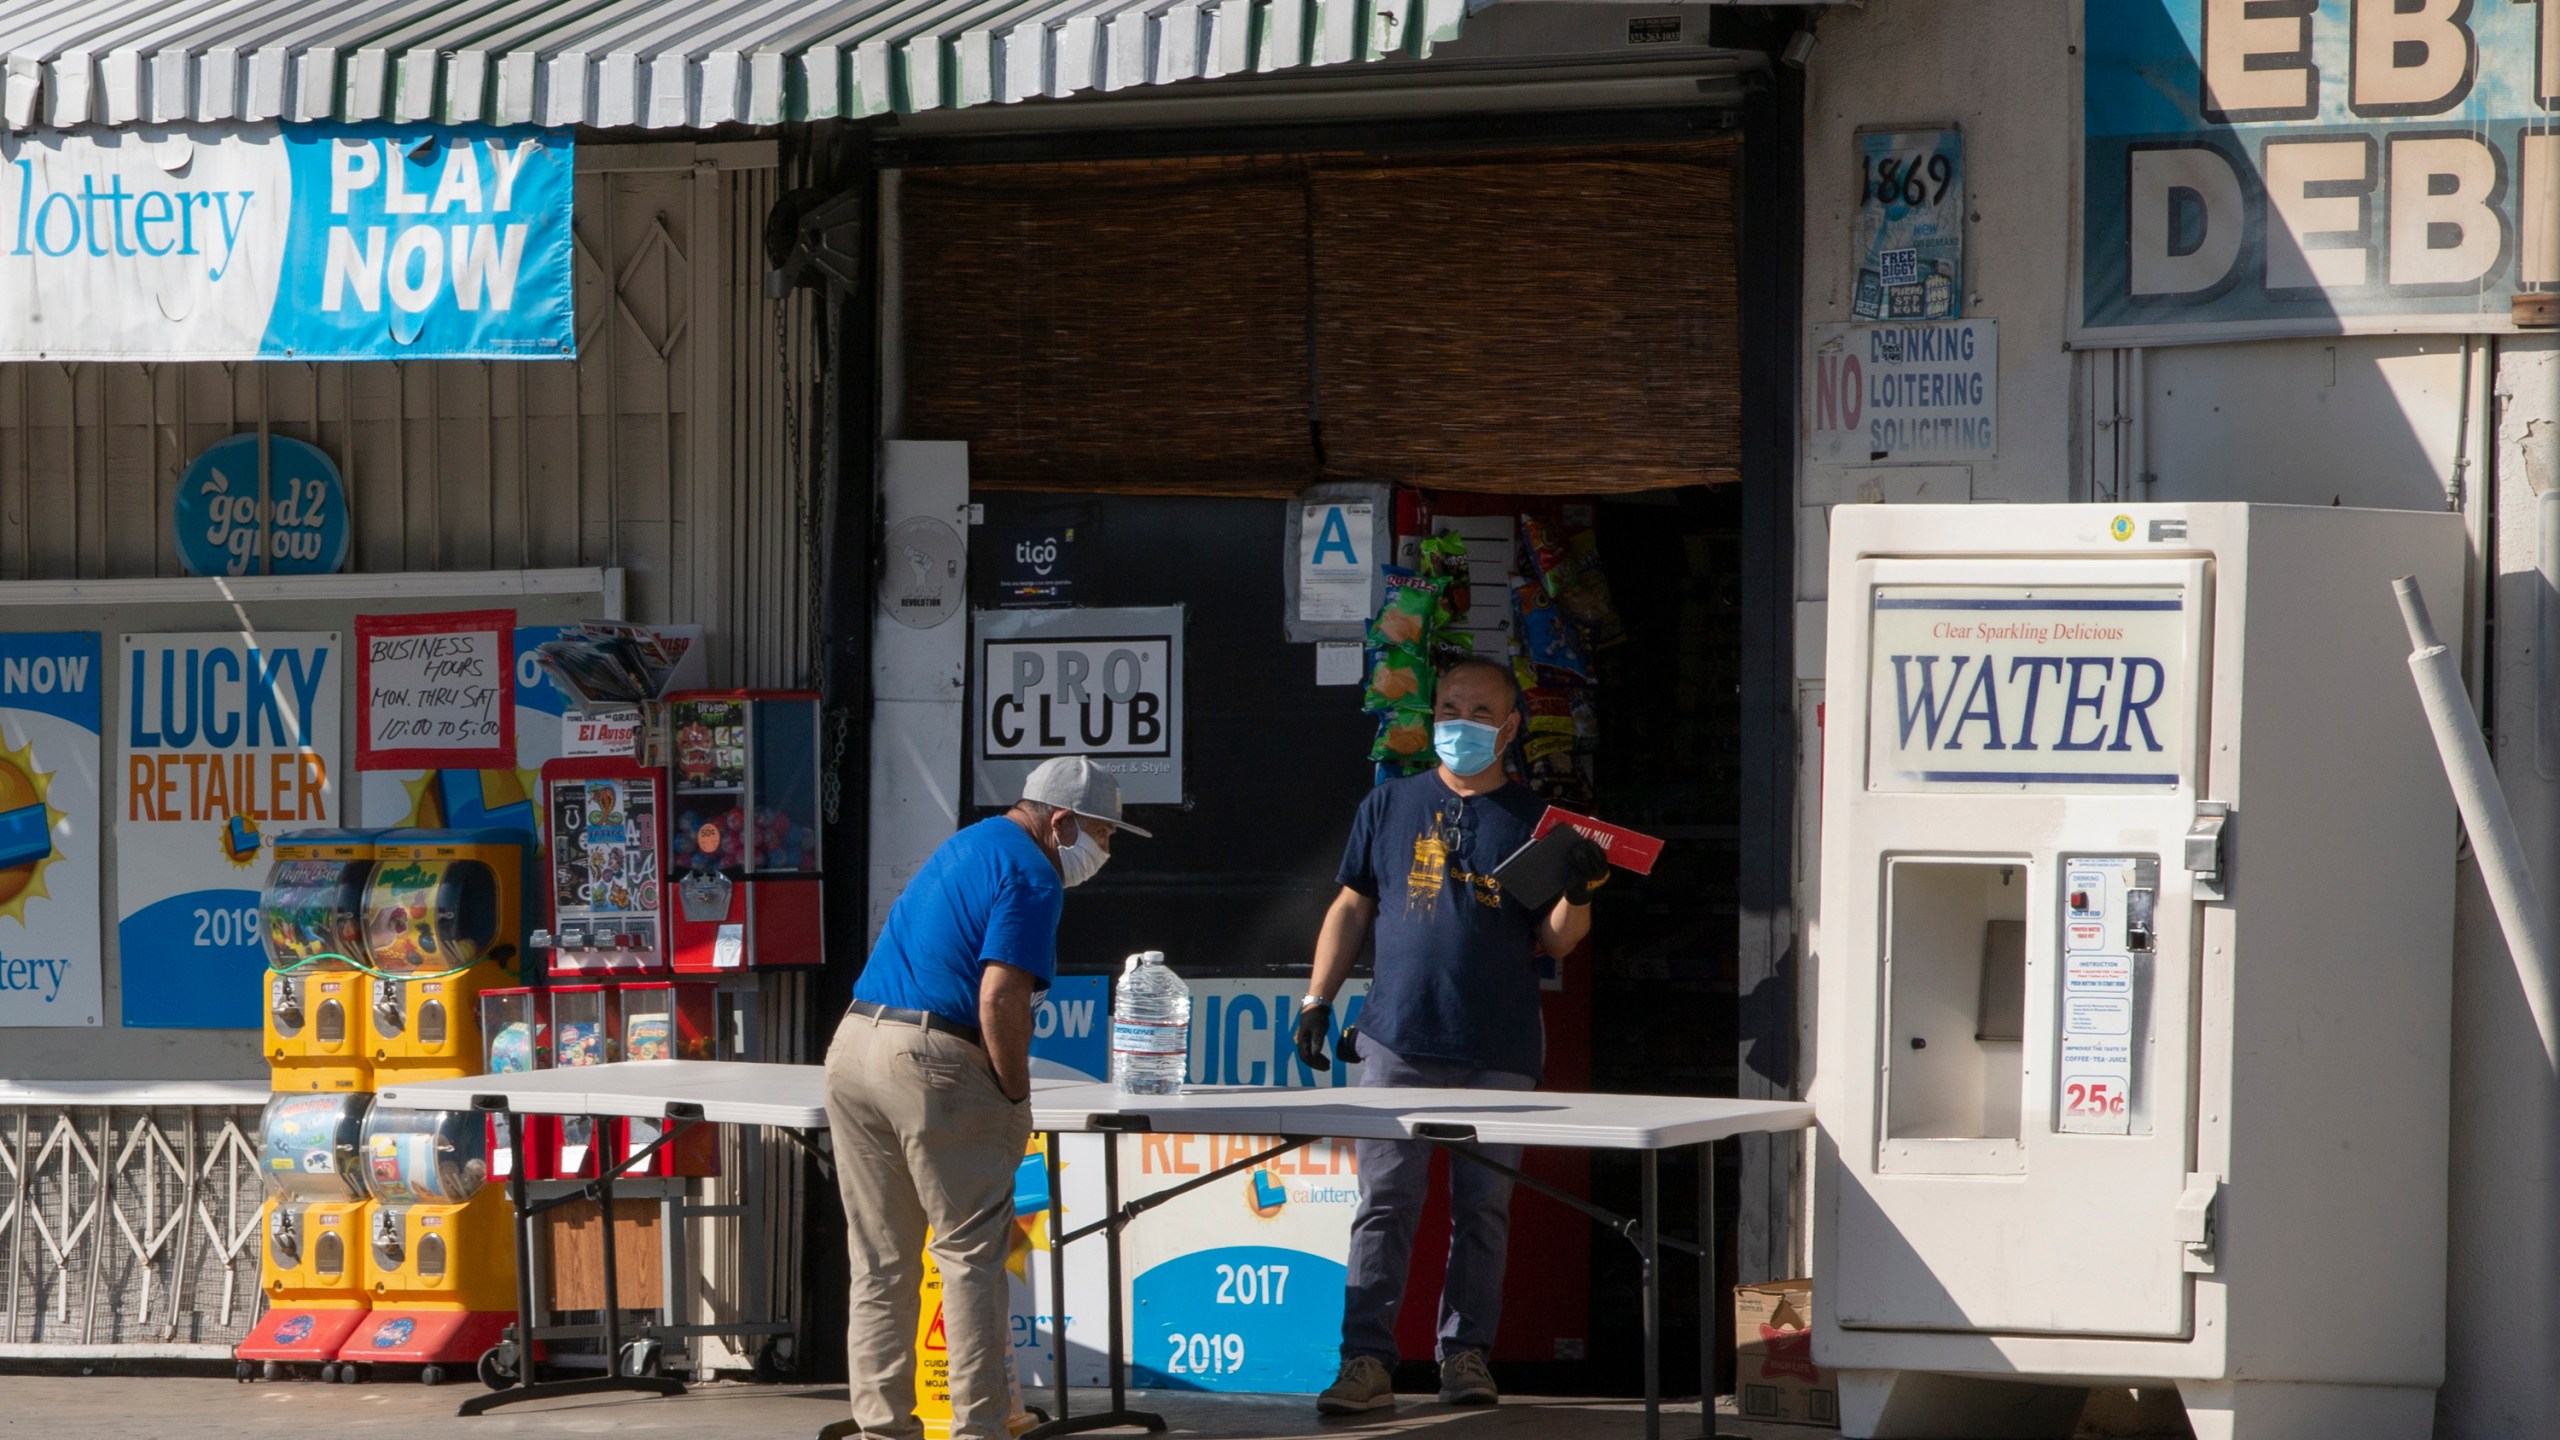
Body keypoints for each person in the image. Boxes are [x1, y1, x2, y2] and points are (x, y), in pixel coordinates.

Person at [1295, 656, 1608, 1415]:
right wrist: (1316, 999)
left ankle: (1466, 1357)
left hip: (1497, 1049)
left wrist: (1580, 888)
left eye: (1476, 713)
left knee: (1483, 1210)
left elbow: (1560, 940)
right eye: (1447, 709)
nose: (1457, 725)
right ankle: (1365, 1361)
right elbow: (1350, 907)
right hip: (1397, 1039)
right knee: (1385, 1204)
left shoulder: (1537, 824)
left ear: (1508, 727)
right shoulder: (1389, 804)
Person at [823, 755, 1149, 1440]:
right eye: (1104, 833)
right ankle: (977, 1429)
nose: (1107, 850)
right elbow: (1000, 996)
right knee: (968, 1257)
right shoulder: (1034, 874)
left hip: (854, 1045)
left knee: (881, 1262)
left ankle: (882, 1429)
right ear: (1060, 823)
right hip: (934, 1058)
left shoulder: (966, 843)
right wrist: (1013, 1097)